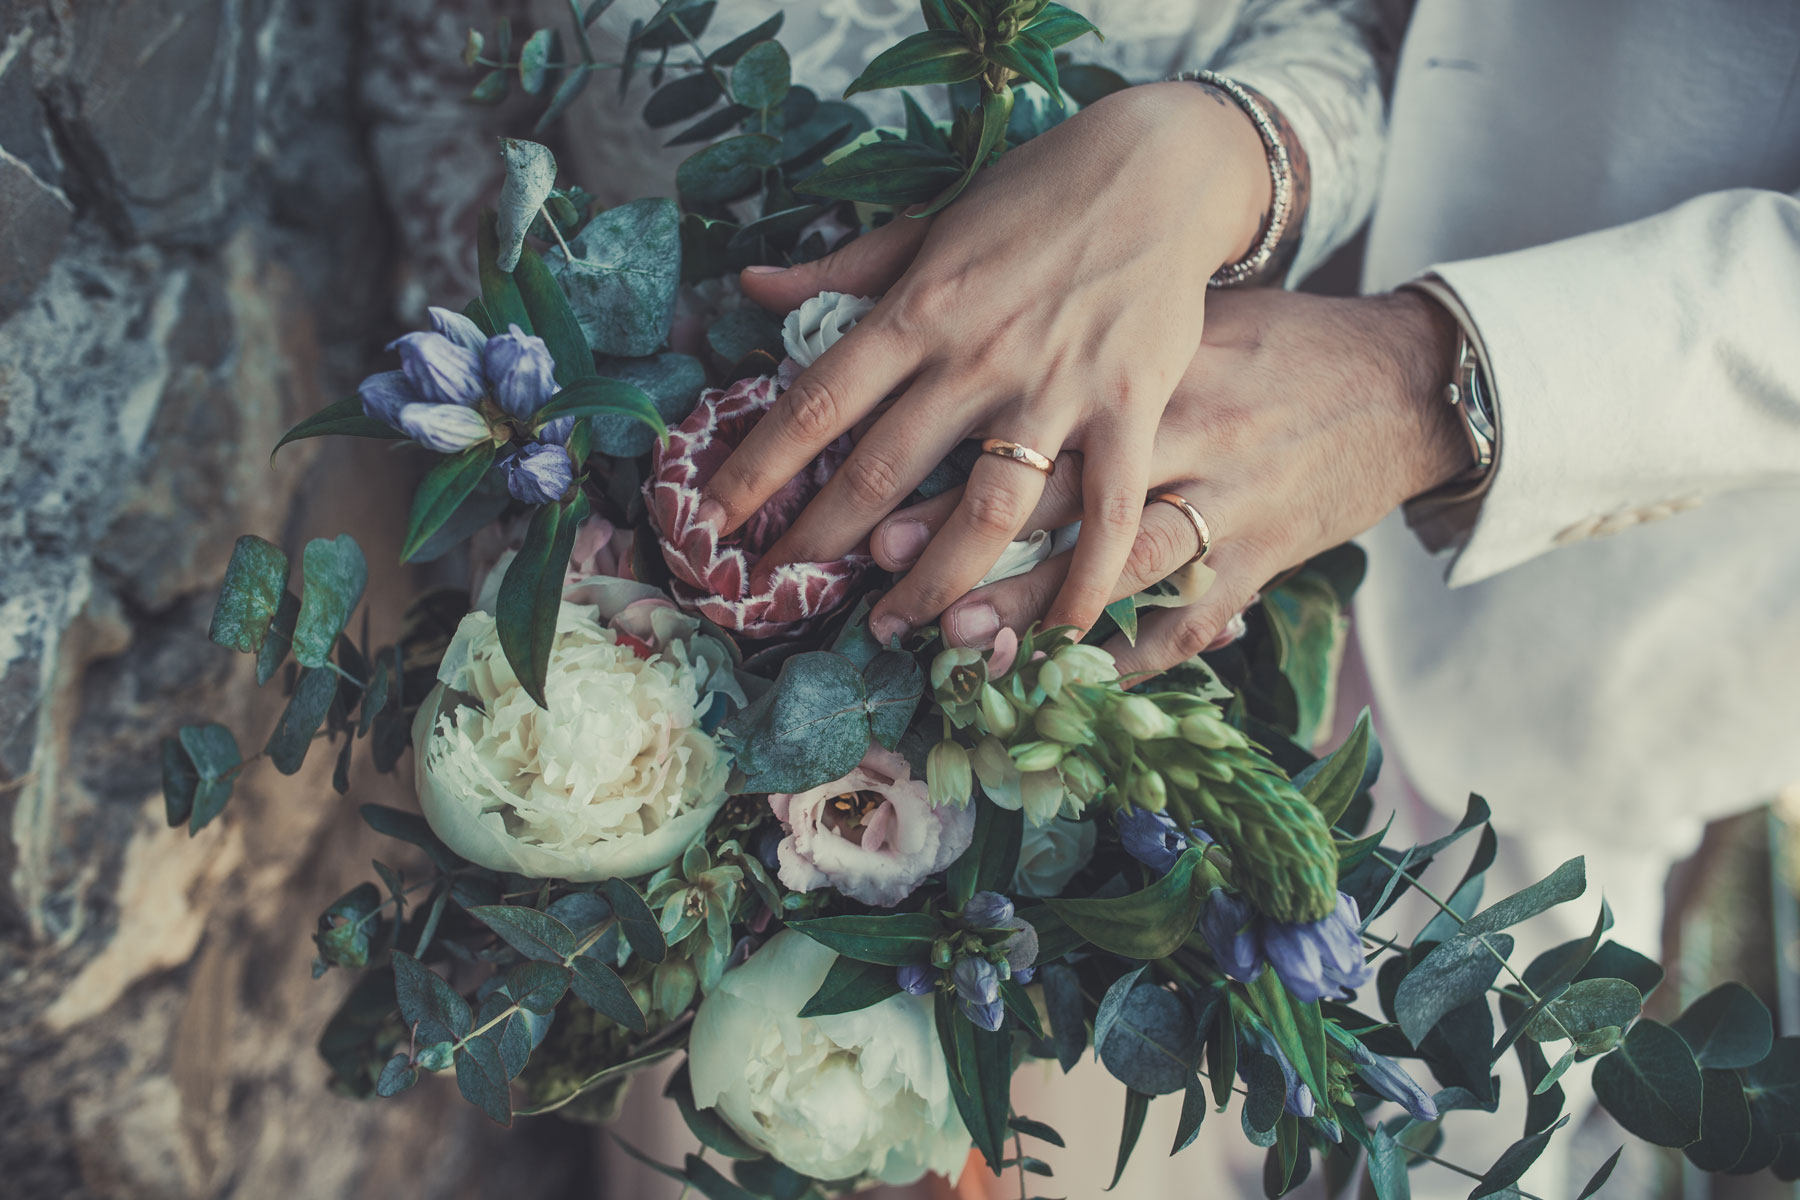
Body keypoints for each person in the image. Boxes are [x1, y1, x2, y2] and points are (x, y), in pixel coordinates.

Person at [707, 0, 1800, 1194]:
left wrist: (1439, 376)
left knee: (1435, 1113)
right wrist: (1231, 147)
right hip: (1154, 249)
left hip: (1600, 576)